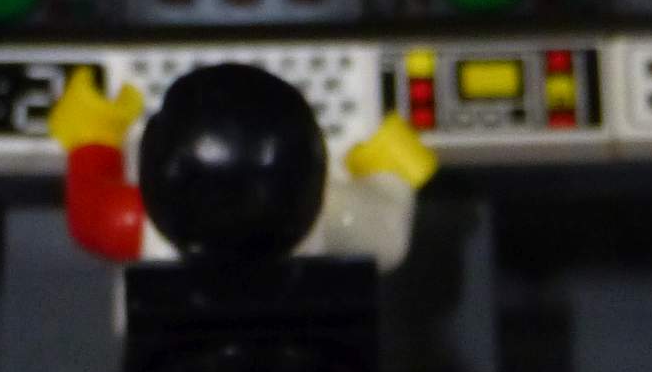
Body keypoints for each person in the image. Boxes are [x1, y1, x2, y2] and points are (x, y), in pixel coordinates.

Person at [49, 58, 435, 271]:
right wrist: (388, 172)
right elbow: (389, 235)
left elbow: (91, 214)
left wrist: (93, 137)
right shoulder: (336, 216)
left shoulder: (137, 225)